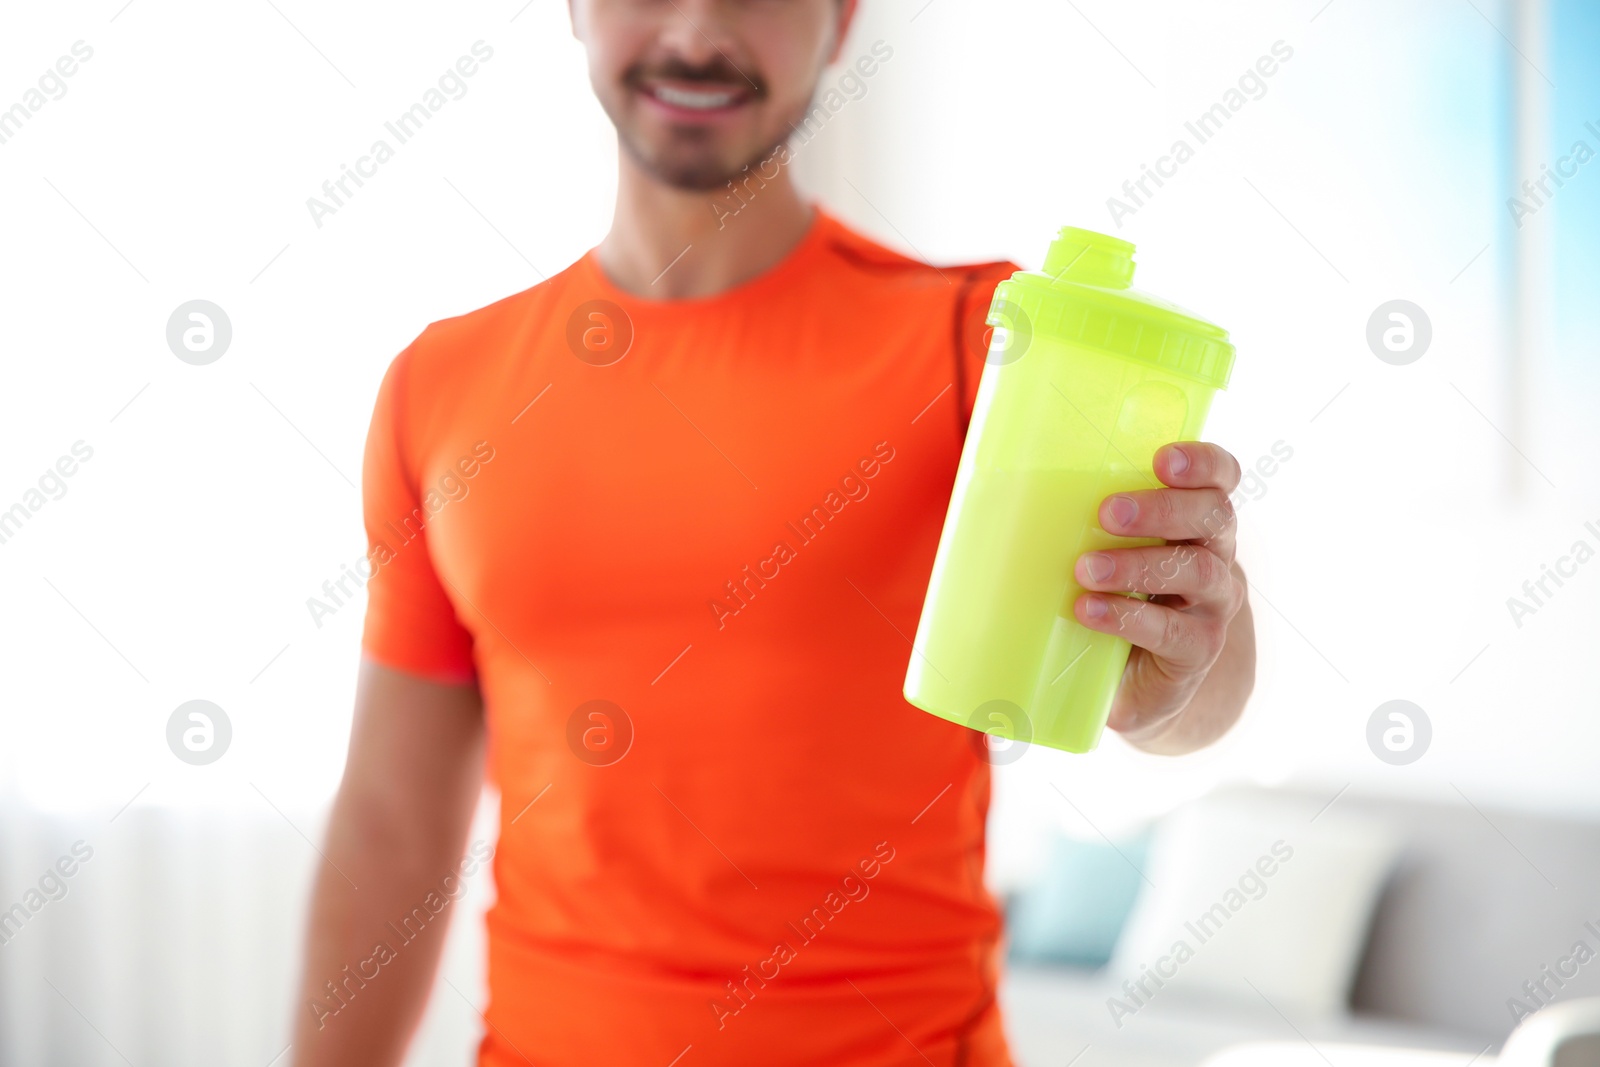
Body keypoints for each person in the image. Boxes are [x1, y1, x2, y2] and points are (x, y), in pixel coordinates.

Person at [289, 1, 1256, 1064]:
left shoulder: (987, 346)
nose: (698, 32)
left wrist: (1183, 671)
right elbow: (390, 819)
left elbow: (1163, 696)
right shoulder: (441, 388)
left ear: (839, 21)